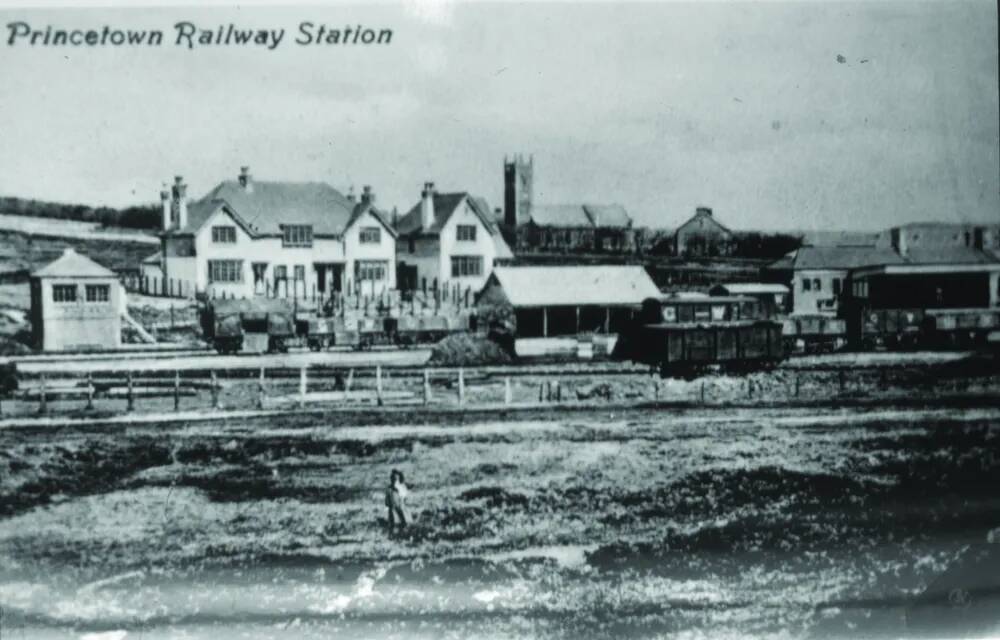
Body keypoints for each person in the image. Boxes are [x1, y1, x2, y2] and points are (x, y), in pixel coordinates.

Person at [385, 469, 410, 536]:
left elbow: (404, 499)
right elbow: (387, 501)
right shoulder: (389, 489)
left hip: (401, 508)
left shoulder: (401, 487)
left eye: (396, 480)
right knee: (393, 524)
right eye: (393, 480)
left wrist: (402, 505)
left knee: (405, 523)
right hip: (393, 510)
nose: (394, 482)